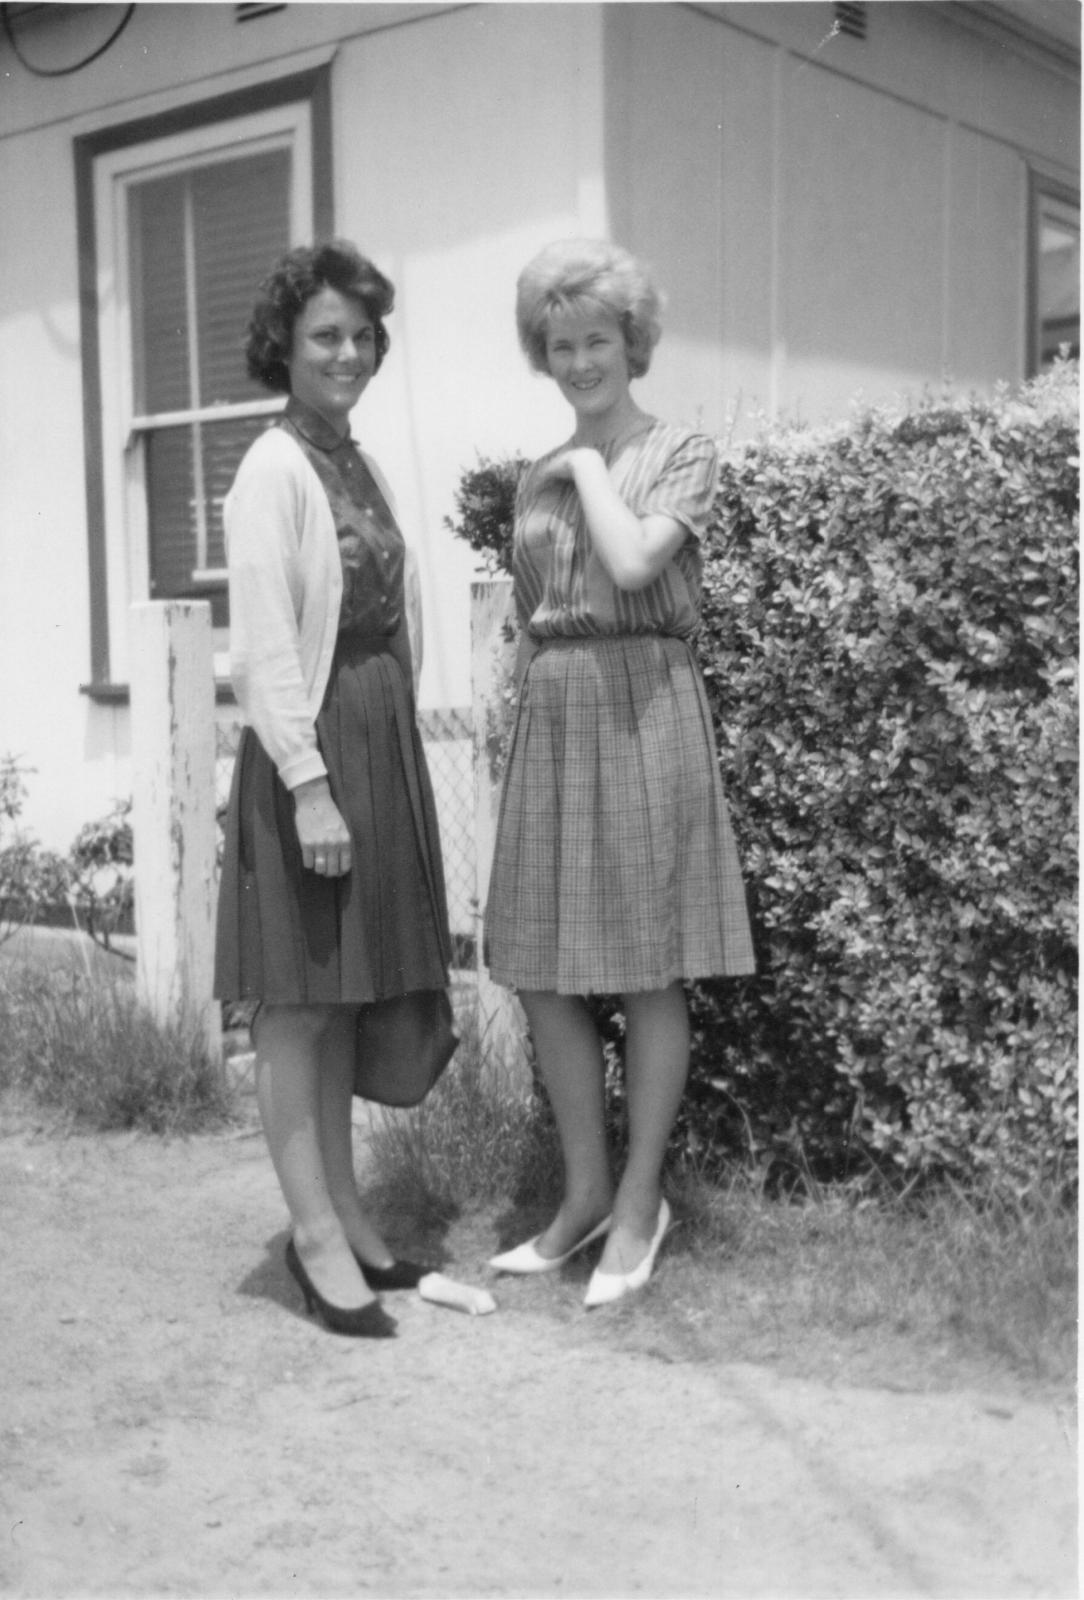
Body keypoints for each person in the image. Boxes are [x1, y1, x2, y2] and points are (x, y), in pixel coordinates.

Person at [485, 239, 755, 1307]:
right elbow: (529, 618)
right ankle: (584, 1192)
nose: (582, 359)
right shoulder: (530, 482)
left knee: (646, 966)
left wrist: (586, 465)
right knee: (542, 968)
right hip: (557, 712)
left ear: (631, 343)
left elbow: (638, 562)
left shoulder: (678, 452)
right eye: (561, 343)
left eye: (598, 338)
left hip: (646, 706)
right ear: (543, 355)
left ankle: (642, 1199)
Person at [214, 241, 454, 1337]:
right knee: (300, 1002)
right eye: (325, 336)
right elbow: (267, 644)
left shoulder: (350, 459)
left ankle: (350, 1216)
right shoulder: (272, 468)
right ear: (287, 348)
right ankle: (312, 1239)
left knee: (347, 994)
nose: (347, 352)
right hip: (311, 747)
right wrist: (309, 787)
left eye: (361, 335)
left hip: (374, 733)